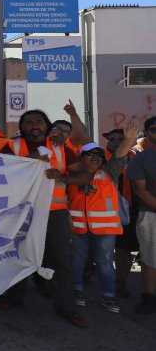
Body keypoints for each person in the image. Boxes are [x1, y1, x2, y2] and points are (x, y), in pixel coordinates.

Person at [0, 110, 86, 328]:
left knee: (60, 260)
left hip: (55, 212)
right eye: (28, 122)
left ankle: (65, 306)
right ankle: (13, 297)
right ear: (22, 126)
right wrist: (30, 161)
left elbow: (84, 175)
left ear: (46, 126)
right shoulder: (12, 147)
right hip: (21, 212)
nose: (34, 125)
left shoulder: (59, 147)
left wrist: (63, 176)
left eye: (39, 121)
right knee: (17, 255)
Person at [48, 143, 123, 313]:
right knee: (76, 262)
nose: (94, 157)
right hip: (77, 228)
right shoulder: (68, 176)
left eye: (99, 154)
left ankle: (108, 295)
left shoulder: (109, 173)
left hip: (105, 230)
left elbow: (121, 156)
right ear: (80, 158)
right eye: (89, 154)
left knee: (105, 263)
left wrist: (129, 139)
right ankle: (77, 291)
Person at [103, 124, 140, 298]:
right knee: (102, 248)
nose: (116, 142)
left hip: (130, 208)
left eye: (121, 139)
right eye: (112, 139)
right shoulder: (98, 157)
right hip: (103, 209)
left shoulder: (137, 158)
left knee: (125, 247)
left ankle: (121, 281)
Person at [128, 115, 156, 314]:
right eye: (154, 128)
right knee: (150, 258)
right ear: (147, 133)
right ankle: (149, 297)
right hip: (150, 214)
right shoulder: (140, 158)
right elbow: (139, 189)